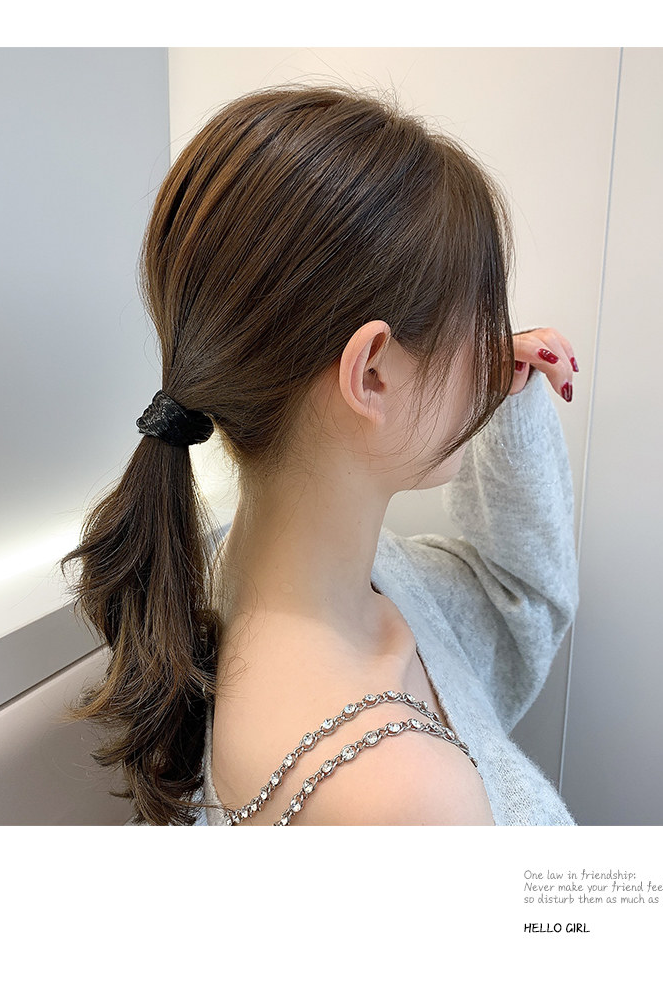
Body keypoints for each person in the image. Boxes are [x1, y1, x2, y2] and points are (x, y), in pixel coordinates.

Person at [61, 82, 579, 827]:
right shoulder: (405, 796)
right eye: (478, 318)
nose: (491, 348)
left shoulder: (294, 573)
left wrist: (500, 404)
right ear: (372, 374)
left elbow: (517, 605)